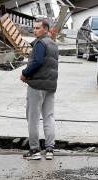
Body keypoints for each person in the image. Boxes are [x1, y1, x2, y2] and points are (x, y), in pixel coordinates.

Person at [20, 19, 59, 160]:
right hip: (50, 86)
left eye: (37, 28)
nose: (34, 30)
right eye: (34, 28)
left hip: (36, 86)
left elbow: (37, 61)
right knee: (49, 117)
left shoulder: (40, 43)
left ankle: (35, 150)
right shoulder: (53, 44)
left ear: (46, 29)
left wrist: (25, 74)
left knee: (33, 118)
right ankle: (50, 149)